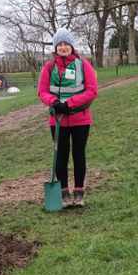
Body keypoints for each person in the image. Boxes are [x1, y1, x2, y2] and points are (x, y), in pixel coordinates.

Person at [37, 28, 98, 206]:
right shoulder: (49, 67)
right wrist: (54, 102)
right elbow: (42, 91)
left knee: (78, 154)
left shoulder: (82, 64)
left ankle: (79, 193)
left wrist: (69, 104)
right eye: (59, 45)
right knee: (60, 156)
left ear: (71, 46)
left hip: (80, 118)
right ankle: (63, 193)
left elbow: (92, 91)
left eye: (66, 44)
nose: (63, 47)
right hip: (58, 121)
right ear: (55, 48)